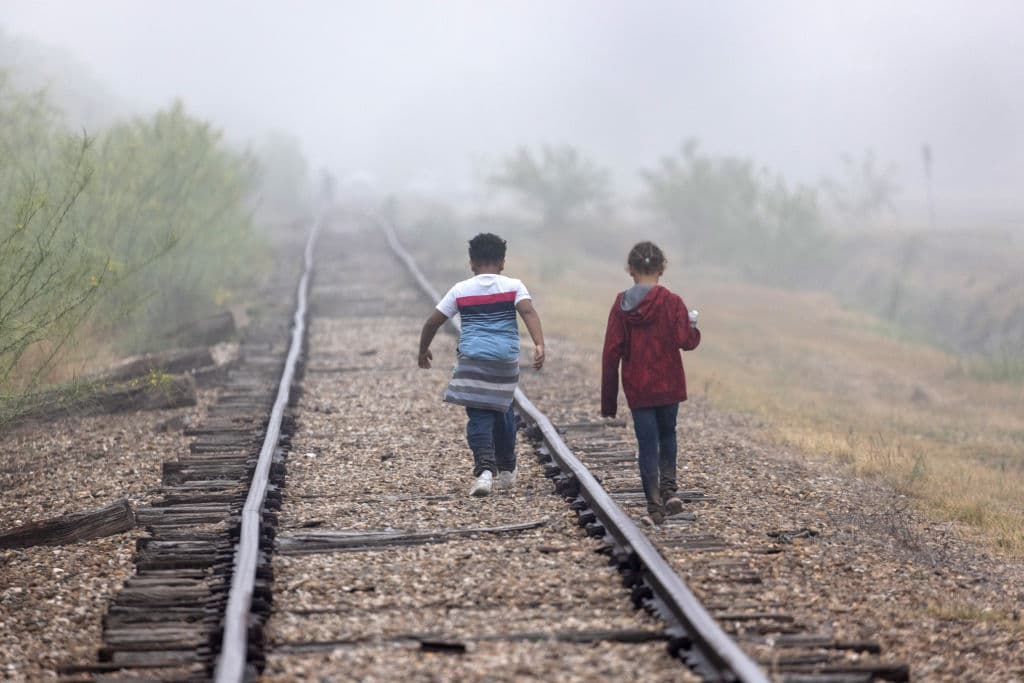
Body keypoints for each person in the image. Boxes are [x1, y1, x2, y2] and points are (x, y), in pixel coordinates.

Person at [418, 233, 545, 497]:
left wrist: (423, 351)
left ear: (472, 263)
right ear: (502, 262)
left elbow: (432, 322)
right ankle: (507, 466)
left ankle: (485, 471)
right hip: (505, 361)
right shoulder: (513, 285)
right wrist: (539, 343)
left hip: (473, 360)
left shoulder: (461, 289)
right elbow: (528, 312)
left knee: (478, 414)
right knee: (503, 409)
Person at [601, 241, 701, 526]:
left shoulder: (621, 305)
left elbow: (611, 353)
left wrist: (608, 403)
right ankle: (670, 491)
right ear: (662, 268)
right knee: (668, 435)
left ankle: (654, 505)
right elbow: (686, 341)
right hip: (668, 384)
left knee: (647, 443)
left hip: (638, 387)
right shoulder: (672, 302)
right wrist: (693, 328)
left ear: (630, 270)